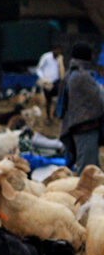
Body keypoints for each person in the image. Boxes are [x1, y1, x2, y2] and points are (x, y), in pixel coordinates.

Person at [57, 42, 104, 174]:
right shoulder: (82, 76)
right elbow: (98, 100)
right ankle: (80, 194)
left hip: (79, 126)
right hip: (85, 127)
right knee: (86, 170)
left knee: (93, 168)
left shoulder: (72, 74)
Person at [37, 45, 64, 122]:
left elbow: (61, 69)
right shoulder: (46, 57)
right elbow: (39, 69)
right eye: (56, 50)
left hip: (56, 81)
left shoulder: (60, 58)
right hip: (47, 82)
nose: (57, 52)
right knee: (48, 100)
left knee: (61, 95)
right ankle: (48, 116)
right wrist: (43, 78)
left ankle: (56, 112)